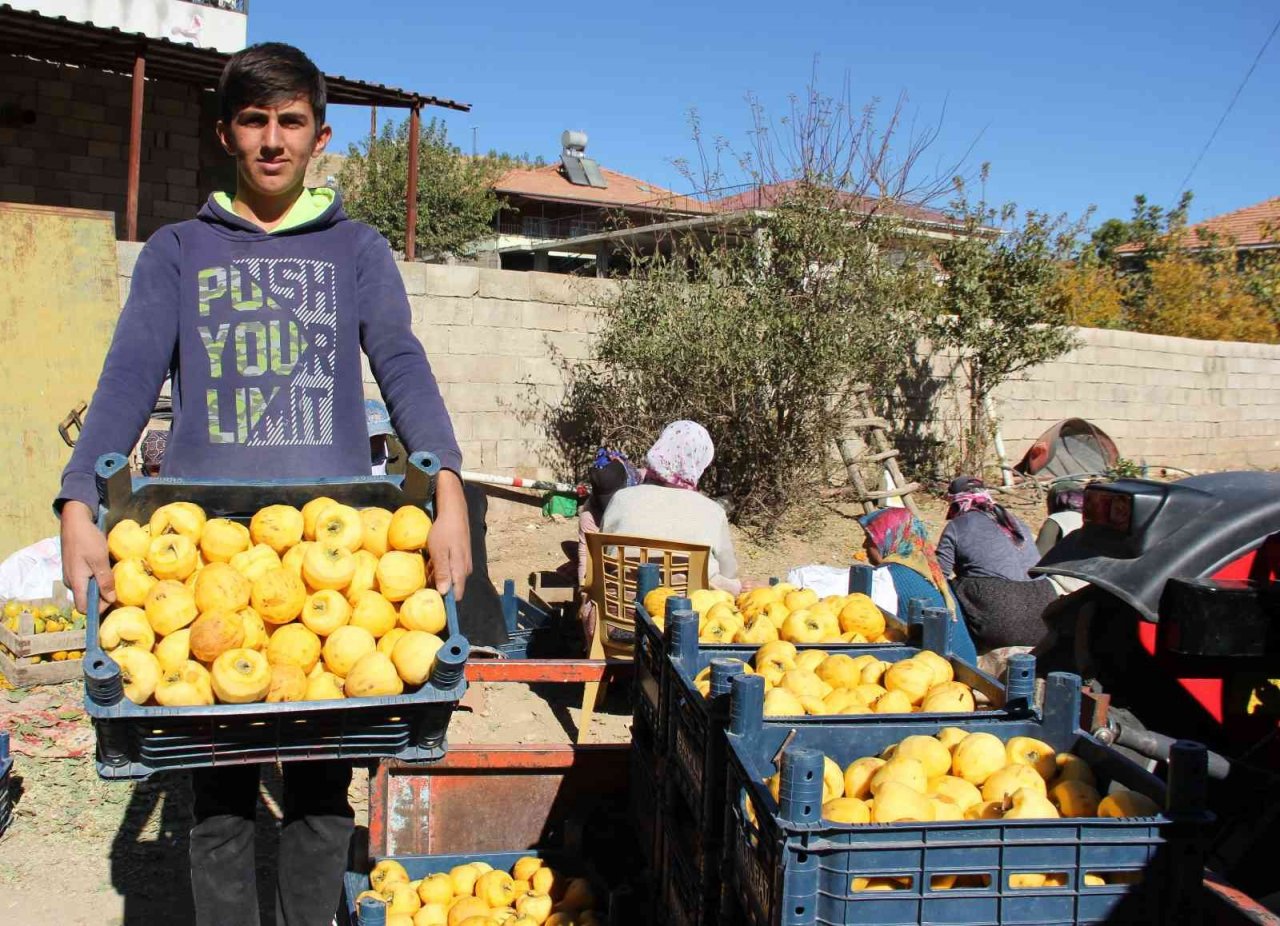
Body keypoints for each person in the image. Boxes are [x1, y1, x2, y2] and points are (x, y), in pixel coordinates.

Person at [55, 43, 471, 926]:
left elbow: (400, 359)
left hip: (339, 559)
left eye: (290, 122)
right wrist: (77, 499)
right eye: (254, 121)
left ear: (320, 137)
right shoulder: (178, 250)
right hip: (207, 558)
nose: (272, 141)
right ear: (225, 135)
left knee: (323, 801)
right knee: (216, 808)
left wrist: (449, 487)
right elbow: (128, 376)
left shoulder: (358, 251)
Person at [600, 420, 742, 594]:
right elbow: (729, 573)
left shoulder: (621, 498)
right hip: (688, 617)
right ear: (699, 461)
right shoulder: (712, 512)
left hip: (617, 613)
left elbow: (602, 556)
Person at [936, 476, 1057, 652]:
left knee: (950, 587)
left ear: (955, 502)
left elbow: (939, 574)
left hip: (1002, 619)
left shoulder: (957, 526)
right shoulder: (1016, 522)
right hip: (1044, 616)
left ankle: (961, 648)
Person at [859, 507, 978, 664]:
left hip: (941, 671)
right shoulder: (929, 569)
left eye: (870, 538)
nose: (864, 545)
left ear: (888, 539)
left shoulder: (888, 575)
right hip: (967, 662)